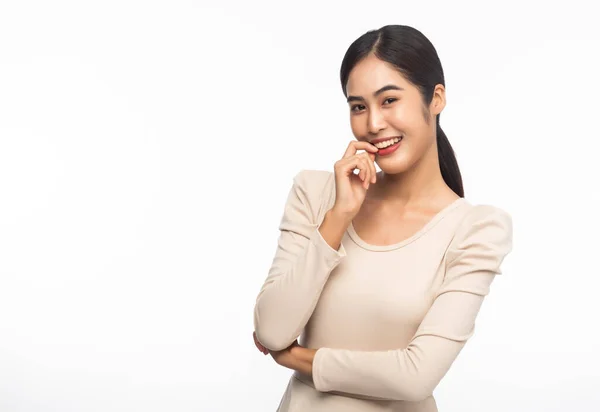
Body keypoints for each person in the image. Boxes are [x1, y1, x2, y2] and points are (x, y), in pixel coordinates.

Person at [251, 24, 513, 412]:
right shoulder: (315, 194)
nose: (373, 124)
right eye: (358, 106)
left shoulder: (476, 230)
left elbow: (415, 376)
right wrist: (340, 215)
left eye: (389, 100)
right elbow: (272, 329)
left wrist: (301, 360)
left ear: (436, 98)